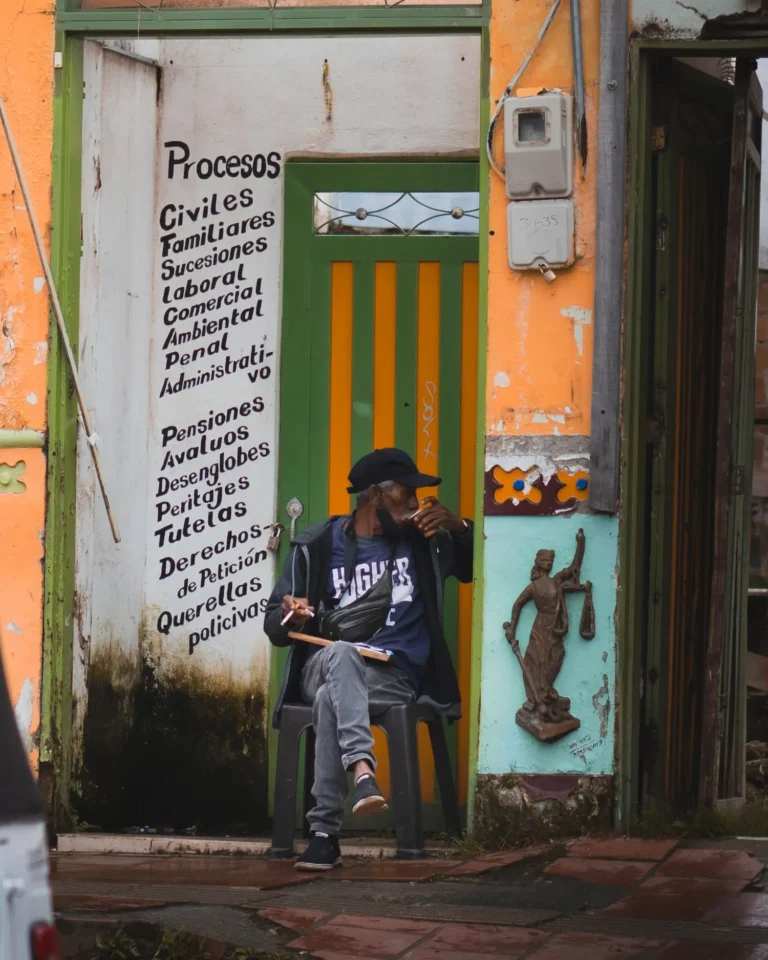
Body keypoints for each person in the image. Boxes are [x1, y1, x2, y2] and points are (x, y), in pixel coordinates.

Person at [264, 448, 473, 871]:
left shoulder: (424, 543)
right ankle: (361, 769)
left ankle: (324, 834)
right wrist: (291, 610)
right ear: (376, 495)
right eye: (406, 495)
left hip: (394, 675)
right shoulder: (317, 545)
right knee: (342, 653)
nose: (416, 504)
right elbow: (275, 628)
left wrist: (458, 525)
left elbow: (470, 567)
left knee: (329, 700)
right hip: (323, 663)